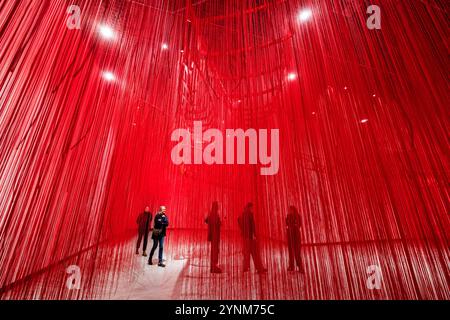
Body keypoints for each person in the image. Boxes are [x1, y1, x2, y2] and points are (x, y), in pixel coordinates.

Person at [238, 203, 267, 274]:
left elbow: (239, 221)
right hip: (250, 237)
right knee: (255, 253)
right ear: (249, 207)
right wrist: (254, 235)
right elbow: (252, 226)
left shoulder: (243, 214)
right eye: (251, 208)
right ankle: (259, 268)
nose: (252, 209)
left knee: (247, 252)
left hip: (246, 237)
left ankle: (246, 267)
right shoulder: (249, 215)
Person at [205, 201, 222, 273]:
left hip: (212, 235)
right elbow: (217, 223)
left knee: (214, 251)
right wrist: (220, 223)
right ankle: (213, 267)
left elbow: (206, 220)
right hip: (215, 235)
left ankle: (213, 266)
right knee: (215, 251)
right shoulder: (215, 214)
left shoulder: (211, 213)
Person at [286, 205, 304, 272]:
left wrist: (294, 226)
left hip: (296, 235)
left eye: (290, 210)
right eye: (289, 210)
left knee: (297, 252)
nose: (289, 211)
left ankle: (300, 267)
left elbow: (299, 225)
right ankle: (291, 266)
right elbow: (287, 225)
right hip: (290, 236)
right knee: (291, 251)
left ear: (293, 210)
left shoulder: (297, 216)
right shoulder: (288, 216)